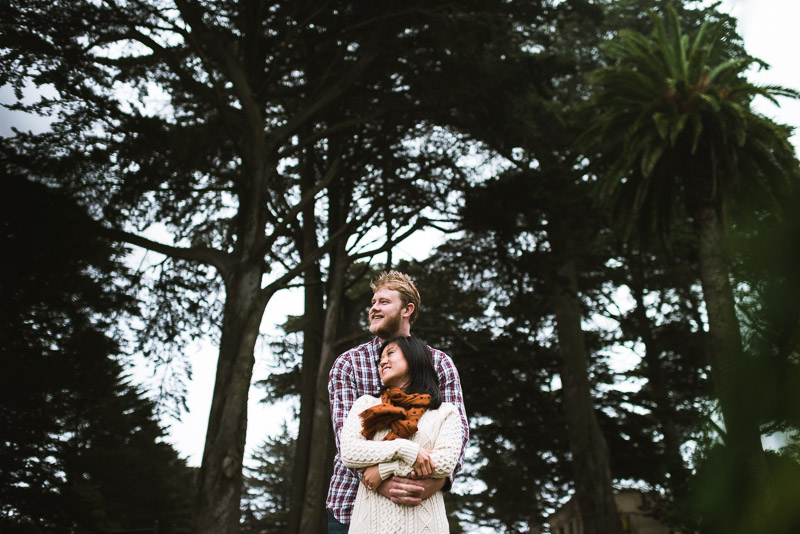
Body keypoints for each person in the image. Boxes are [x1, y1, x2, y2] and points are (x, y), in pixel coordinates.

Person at [326, 271, 469, 533]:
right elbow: (345, 439)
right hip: (351, 505)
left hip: (418, 503)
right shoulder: (348, 364)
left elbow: (455, 438)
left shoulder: (440, 364)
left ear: (407, 309)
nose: (374, 308)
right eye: (373, 302)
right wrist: (377, 479)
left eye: (383, 302)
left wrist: (437, 481)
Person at [340, 335, 462, 533]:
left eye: (390, 353)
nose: (382, 362)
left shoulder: (445, 412)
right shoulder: (365, 405)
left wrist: (383, 469)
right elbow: (349, 452)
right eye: (380, 359)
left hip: (425, 527)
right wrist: (404, 449)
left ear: (414, 358)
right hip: (370, 525)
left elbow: (446, 463)